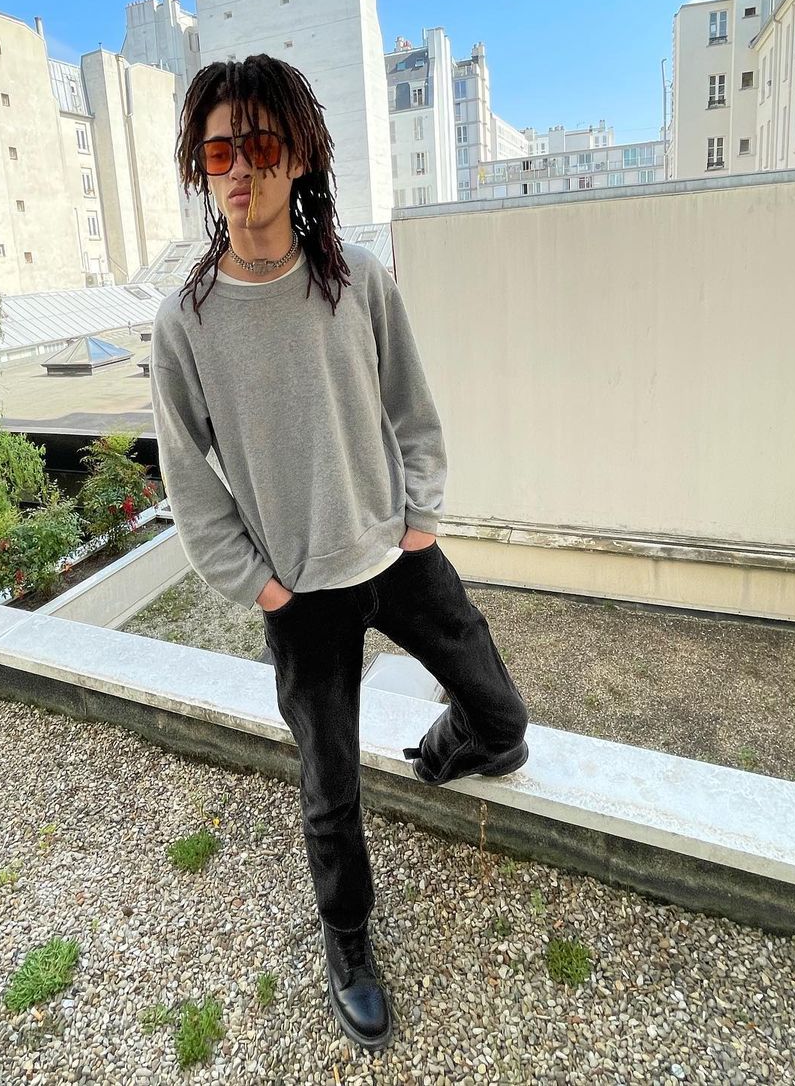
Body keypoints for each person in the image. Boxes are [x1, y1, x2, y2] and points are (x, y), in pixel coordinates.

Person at [150, 53, 529, 1052]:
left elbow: (413, 410)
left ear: (299, 156)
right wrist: (259, 585)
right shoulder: (187, 321)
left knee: (504, 719)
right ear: (201, 168)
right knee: (330, 790)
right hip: (301, 592)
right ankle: (348, 942)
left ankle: (455, 746)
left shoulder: (358, 280)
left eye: (260, 145)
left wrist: (421, 518)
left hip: (396, 555)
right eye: (219, 151)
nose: (241, 168)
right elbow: (187, 475)